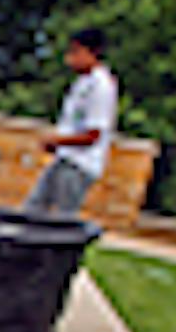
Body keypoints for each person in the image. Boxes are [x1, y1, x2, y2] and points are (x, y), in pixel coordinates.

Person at [24, 27, 118, 218]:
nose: (71, 58)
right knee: (34, 207)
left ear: (93, 53)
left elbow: (93, 135)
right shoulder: (82, 82)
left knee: (62, 217)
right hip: (64, 158)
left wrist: (58, 141)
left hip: (79, 164)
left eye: (77, 52)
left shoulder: (101, 87)